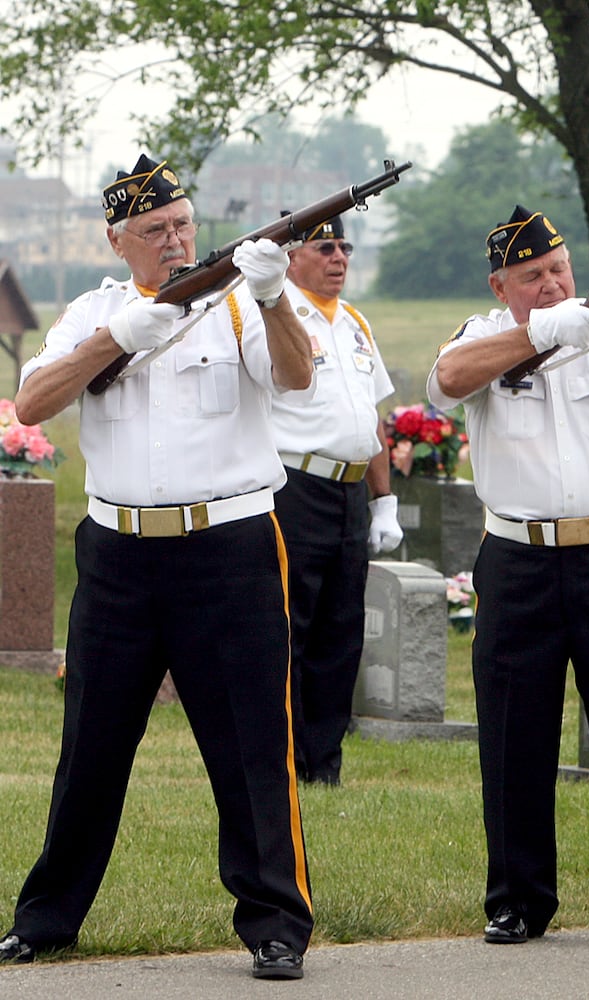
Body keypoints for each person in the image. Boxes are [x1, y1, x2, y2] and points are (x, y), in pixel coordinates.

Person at [0, 154, 317, 979]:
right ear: (117, 241)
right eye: (155, 231)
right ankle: (46, 919)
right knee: (90, 747)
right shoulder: (89, 314)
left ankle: (276, 921)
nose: (176, 242)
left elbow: (296, 374)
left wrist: (276, 294)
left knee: (253, 741)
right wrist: (120, 335)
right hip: (117, 555)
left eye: (182, 224)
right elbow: (31, 402)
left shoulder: (242, 303)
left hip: (231, 546)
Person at [426, 205, 589, 952]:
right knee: (515, 731)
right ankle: (516, 900)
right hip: (520, 559)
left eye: (559, 270)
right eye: (533, 276)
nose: (552, 284)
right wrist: (539, 335)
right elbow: (446, 381)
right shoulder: (483, 338)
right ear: (500, 284)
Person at [270, 213, 403, 786]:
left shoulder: (353, 321)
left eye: (345, 247)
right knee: (290, 628)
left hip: (349, 491)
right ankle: (282, 760)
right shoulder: (275, 314)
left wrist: (384, 501)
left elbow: (369, 418)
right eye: (324, 247)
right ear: (292, 257)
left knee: (341, 631)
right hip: (294, 486)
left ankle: (323, 765)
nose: (338, 259)